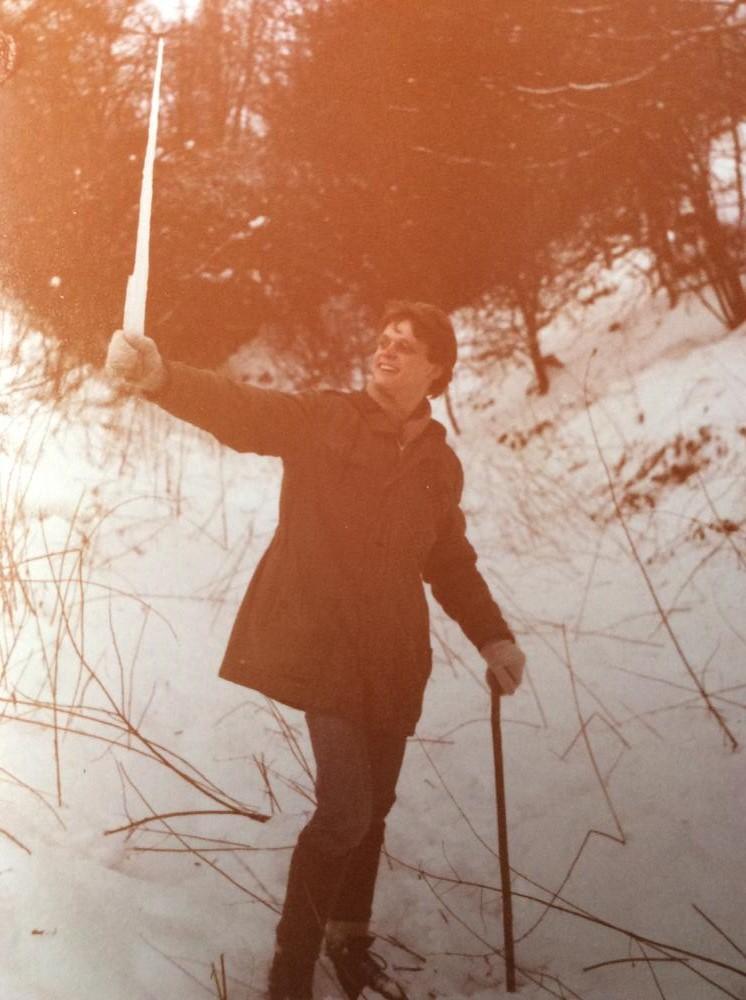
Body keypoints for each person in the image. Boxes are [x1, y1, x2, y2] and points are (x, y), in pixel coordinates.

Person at [105, 301, 526, 1000]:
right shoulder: (326, 419)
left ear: (438, 372)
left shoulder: (438, 464)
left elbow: (447, 560)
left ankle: (349, 937)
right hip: (324, 646)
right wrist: (162, 378)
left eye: (407, 346)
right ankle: (290, 968)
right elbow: (245, 411)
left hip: (394, 655)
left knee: (376, 808)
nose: (387, 351)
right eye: (384, 339)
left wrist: (495, 637)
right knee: (344, 813)